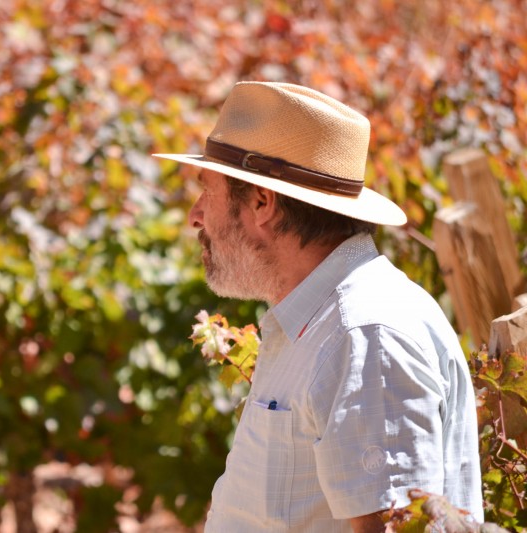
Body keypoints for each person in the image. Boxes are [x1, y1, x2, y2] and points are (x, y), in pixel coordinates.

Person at [153, 82, 484, 532]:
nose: (194, 215)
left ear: (261, 202)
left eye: (206, 192)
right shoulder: (319, 323)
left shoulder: (365, 338)